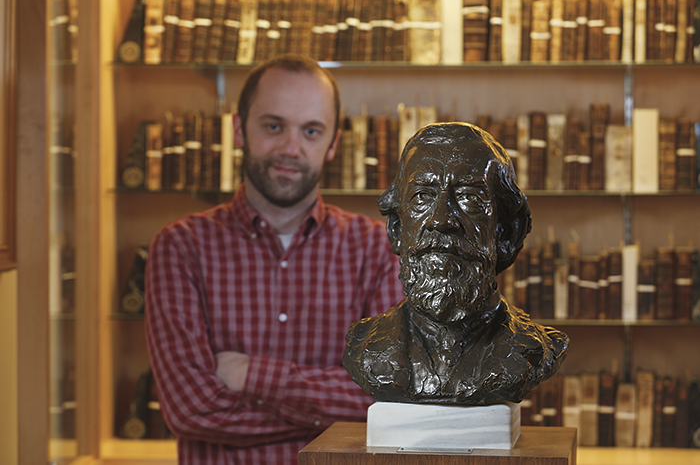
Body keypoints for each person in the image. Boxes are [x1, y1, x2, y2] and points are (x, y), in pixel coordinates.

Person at [145, 54, 404, 464]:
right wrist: (334, 415)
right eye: (273, 125)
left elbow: (389, 397)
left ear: (334, 143)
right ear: (237, 128)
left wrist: (250, 375)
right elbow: (190, 410)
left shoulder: (378, 249)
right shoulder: (180, 247)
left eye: (312, 130)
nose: (291, 148)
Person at [343, 122, 569, 406]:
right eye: (422, 197)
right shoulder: (365, 347)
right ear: (397, 229)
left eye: (469, 198)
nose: (441, 220)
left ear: (507, 233)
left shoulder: (534, 351)